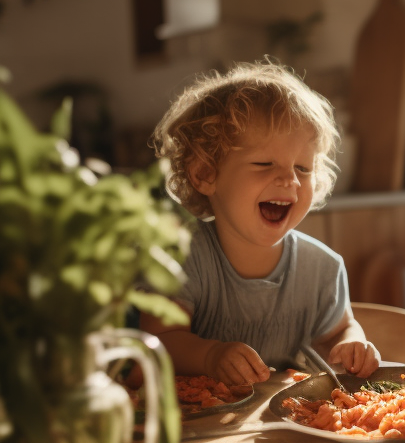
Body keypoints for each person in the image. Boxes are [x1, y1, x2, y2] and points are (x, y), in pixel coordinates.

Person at [143, 61, 379, 385]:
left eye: (303, 169)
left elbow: (336, 334)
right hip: (198, 428)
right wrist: (211, 356)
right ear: (205, 173)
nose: (289, 179)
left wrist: (352, 344)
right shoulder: (180, 257)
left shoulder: (322, 269)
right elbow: (159, 341)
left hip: (284, 426)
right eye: (264, 163)